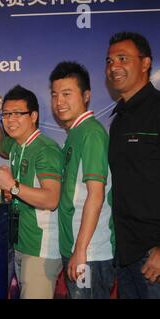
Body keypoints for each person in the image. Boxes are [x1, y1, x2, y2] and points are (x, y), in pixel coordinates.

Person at [0, 85, 62, 299]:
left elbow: (51, 199)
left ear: (34, 116)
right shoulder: (17, 146)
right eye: (6, 114)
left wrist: (13, 186)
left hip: (40, 249)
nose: (10, 120)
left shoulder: (45, 149)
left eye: (17, 114)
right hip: (21, 243)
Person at [50, 61, 115, 299]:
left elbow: (96, 196)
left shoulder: (91, 133)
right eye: (55, 94)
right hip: (78, 250)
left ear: (86, 95)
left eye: (67, 94)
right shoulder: (75, 133)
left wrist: (80, 250)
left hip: (90, 253)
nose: (59, 102)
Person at [106, 32, 160, 298]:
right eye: (109, 60)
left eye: (123, 58)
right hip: (126, 255)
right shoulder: (118, 119)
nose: (114, 66)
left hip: (154, 259)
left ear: (146, 63)